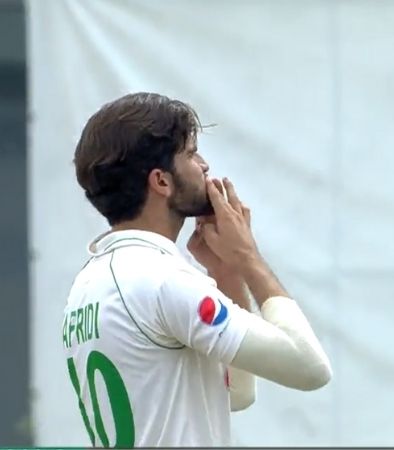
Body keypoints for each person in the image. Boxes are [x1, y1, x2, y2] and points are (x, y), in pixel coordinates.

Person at [63, 92, 332, 447]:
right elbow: (310, 368)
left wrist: (226, 274)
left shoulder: (88, 282)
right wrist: (249, 258)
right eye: (190, 154)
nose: (204, 165)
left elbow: (235, 393)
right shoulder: (162, 279)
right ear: (161, 181)